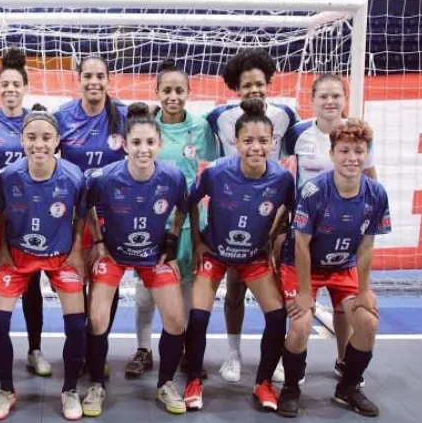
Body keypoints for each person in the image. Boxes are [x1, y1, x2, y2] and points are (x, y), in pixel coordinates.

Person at [183, 99, 294, 412]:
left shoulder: (282, 179)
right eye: (248, 141)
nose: (255, 147)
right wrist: (198, 241)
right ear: (236, 142)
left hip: (253, 256)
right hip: (215, 252)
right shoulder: (216, 173)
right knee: (198, 315)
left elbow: (290, 209)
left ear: (273, 143)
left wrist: (272, 239)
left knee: (277, 315)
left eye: (263, 141)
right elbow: (191, 201)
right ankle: (193, 379)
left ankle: (263, 383)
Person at [81, 102, 189, 416]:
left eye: (150, 143)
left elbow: (183, 207)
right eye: (137, 143)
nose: (143, 149)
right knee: (98, 319)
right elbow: (86, 205)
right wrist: (98, 239)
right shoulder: (104, 178)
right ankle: (97, 384)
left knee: (176, 320)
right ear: (125, 145)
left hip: (152, 255)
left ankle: (165, 384)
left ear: (160, 144)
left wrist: (172, 237)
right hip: (113, 253)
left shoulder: (173, 177)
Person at [277, 119, 390, 418]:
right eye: (344, 151)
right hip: (303, 265)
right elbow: (300, 244)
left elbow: (366, 247)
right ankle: (290, 387)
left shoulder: (376, 194)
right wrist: (304, 293)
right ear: (332, 154)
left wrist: (364, 290)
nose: (352, 157)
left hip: (343, 266)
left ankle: (348, 387)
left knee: (368, 322)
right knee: (301, 324)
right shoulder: (314, 191)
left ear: (367, 154)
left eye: (359, 151)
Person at [0, 104, 87, 420]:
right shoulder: (7, 177)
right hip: (18, 256)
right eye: (31, 137)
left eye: (46, 137)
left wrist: (75, 253)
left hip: (60, 256)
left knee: (76, 325)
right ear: (22, 139)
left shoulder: (74, 176)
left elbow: (82, 215)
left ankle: (70, 390)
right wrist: (3, 251)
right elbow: (0, 216)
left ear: (58, 140)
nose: (39, 144)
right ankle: (6, 390)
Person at [205, 48, 298, 383]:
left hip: (269, 215)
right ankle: (233, 353)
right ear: (236, 88)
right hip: (232, 214)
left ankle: (275, 358)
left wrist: (281, 221)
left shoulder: (286, 115)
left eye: (259, 83)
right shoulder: (218, 118)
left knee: (275, 291)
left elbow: (290, 161)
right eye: (247, 85)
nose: (254, 90)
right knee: (234, 290)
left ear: (269, 83)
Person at [125, 59, 219, 378]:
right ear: (157, 92)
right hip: (150, 225)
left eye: (179, 90)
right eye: (167, 90)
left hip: (189, 223)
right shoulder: (149, 126)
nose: (173, 96)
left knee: (187, 291)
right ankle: (143, 349)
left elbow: (212, 171)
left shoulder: (200, 127)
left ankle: (185, 353)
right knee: (144, 296)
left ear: (189, 92)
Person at [283, 74, 378, 383]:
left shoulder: (356, 135)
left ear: (344, 99)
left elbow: (371, 182)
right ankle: (293, 363)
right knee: (301, 312)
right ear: (312, 100)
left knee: (344, 308)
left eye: (336, 95)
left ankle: (343, 360)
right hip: (306, 234)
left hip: (344, 238)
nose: (330, 101)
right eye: (323, 95)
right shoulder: (298, 133)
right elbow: (279, 174)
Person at [0, 48, 51, 377]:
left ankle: (34, 349)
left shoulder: (36, 121)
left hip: (26, 215)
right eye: (5, 84)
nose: (10, 89)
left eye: (16, 84)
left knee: (31, 283)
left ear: (25, 87)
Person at [54, 56, 128, 375]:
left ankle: (99, 349)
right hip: (74, 218)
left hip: (112, 217)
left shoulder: (123, 117)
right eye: (87, 76)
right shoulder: (62, 117)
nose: (94, 81)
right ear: (79, 79)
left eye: (100, 76)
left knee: (103, 284)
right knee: (76, 280)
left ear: (109, 79)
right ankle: (80, 348)